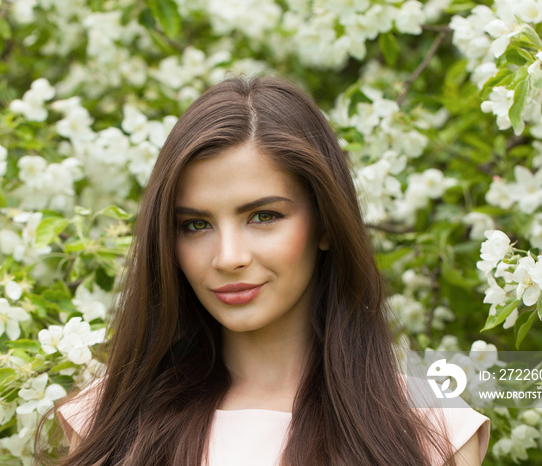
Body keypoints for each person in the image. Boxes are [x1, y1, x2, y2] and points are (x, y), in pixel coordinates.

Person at [52, 76, 489, 465]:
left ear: (324, 223)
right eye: (195, 225)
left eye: (263, 216)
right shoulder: (109, 425)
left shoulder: (431, 430)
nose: (228, 257)